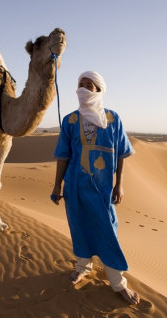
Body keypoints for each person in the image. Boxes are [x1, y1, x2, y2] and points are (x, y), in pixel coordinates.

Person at [51, 71, 140, 305]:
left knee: (107, 231)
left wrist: (119, 184)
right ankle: (83, 267)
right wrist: (57, 185)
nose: (84, 88)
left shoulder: (112, 118)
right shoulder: (70, 120)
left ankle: (118, 283)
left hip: (102, 189)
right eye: (81, 84)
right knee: (79, 227)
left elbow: (122, 154)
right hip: (75, 187)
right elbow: (62, 156)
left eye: (89, 85)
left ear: (98, 90)